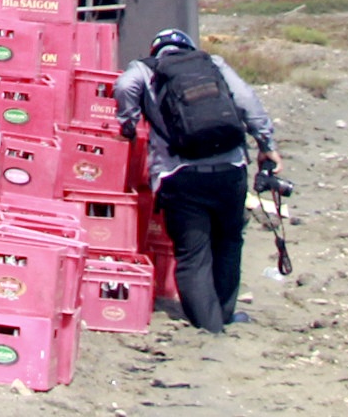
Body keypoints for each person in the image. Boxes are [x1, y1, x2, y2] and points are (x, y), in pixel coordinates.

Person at [115, 27, 277, 334]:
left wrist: (128, 121)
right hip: (230, 169)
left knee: (192, 252)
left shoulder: (145, 69)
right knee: (229, 242)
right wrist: (267, 147)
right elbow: (247, 100)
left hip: (180, 175)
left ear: (156, 50)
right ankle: (225, 314)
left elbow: (123, 87)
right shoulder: (213, 63)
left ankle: (209, 326)